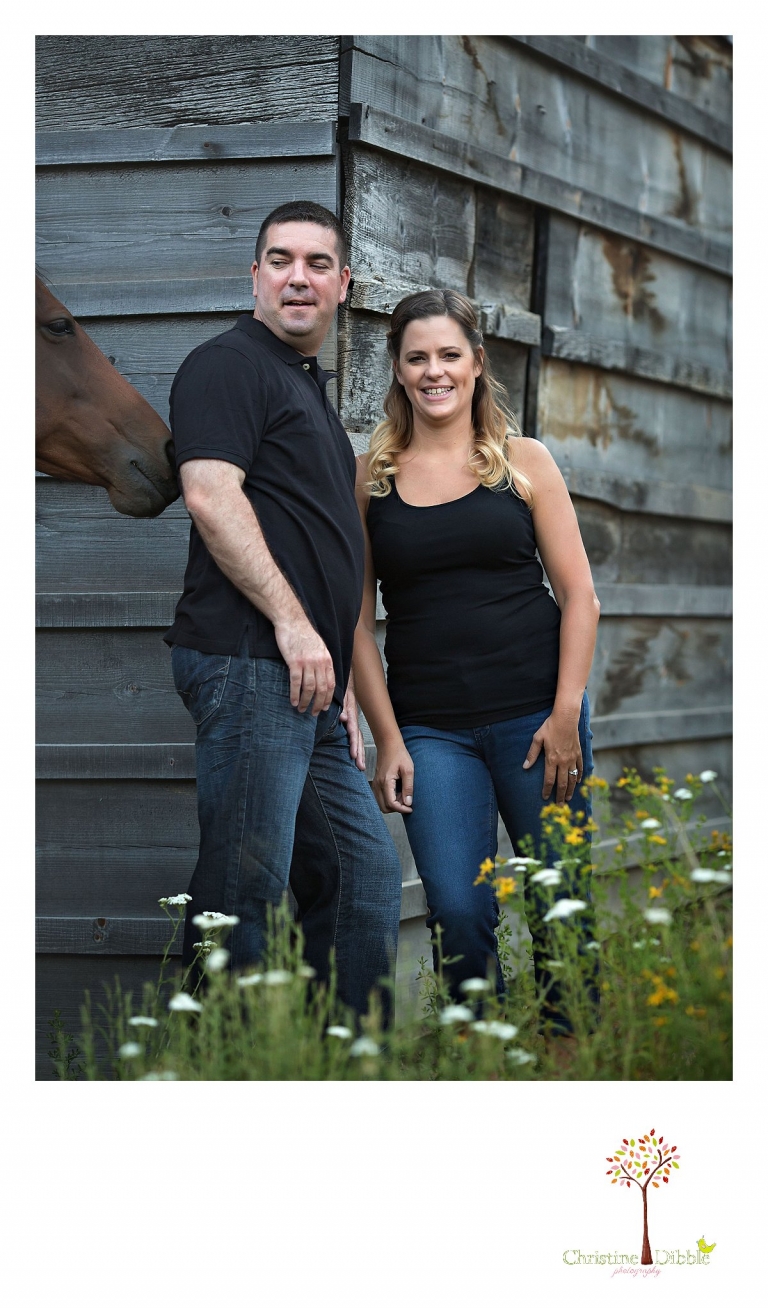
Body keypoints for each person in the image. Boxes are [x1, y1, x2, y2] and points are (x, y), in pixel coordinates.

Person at [163, 201, 403, 1020]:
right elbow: (208, 492)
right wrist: (296, 626)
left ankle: (339, 1070)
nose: (297, 276)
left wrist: (335, 674)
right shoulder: (228, 365)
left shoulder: (303, 389)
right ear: (255, 276)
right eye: (279, 260)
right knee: (243, 889)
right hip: (250, 660)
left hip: (307, 684)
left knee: (365, 879)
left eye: (316, 263)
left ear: (343, 284)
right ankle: (208, 1079)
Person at [351, 289, 601, 1033]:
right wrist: (388, 739)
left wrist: (565, 716)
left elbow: (580, 596)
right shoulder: (372, 478)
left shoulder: (523, 462)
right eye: (417, 357)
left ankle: (569, 1061)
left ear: (477, 364)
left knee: (562, 900)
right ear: (396, 369)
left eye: (449, 355)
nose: (435, 371)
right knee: (457, 909)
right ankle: (481, 1062)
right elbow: (358, 627)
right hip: (433, 731)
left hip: (537, 717)